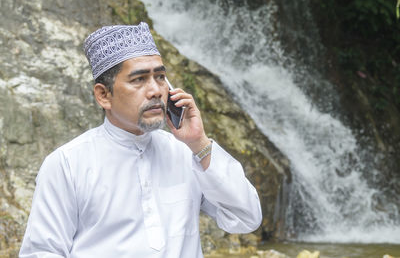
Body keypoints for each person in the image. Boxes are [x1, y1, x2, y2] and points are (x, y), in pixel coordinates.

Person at [19, 22, 262, 258]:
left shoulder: (186, 153)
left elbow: (246, 218)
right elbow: (42, 252)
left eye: (160, 77)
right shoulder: (67, 164)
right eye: (139, 79)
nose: (156, 90)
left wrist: (199, 143)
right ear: (104, 95)